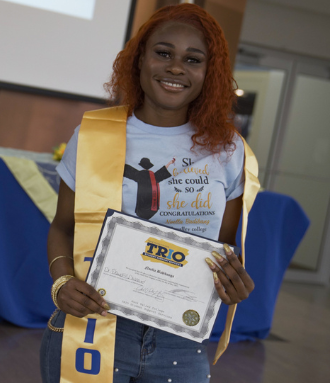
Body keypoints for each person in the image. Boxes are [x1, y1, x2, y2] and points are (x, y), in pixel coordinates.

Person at [40, 4, 257, 383]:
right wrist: (61, 283)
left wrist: (232, 283)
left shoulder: (228, 150)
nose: (176, 68)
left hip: (180, 339)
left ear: (210, 73)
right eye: (163, 53)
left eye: (193, 59)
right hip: (93, 328)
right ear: (139, 59)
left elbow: (223, 249)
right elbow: (62, 228)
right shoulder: (94, 135)